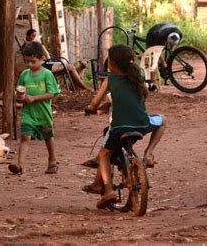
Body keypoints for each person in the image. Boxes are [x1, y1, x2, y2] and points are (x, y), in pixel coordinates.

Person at [83, 44, 165, 208]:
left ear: (112, 63)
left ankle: (106, 190)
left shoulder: (110, 79)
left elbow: (94, 103)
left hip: (119, 127)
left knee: (105, 154)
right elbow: (145, 94)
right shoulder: (137, 76)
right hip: (143, 124)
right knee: (163, 120)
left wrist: (91, 109)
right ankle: (148, 154)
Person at [9, 41, 61, 175]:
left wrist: (34, 98)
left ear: (41, 59)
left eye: (33, 61)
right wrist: (20, 98)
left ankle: (52, 161)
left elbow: (52, 93)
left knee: (48, 137)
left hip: (43, 113)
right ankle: (20, 165)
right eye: (28, 62)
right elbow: (18, 93)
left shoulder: (47, 74)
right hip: (28, 113)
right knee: (25, 137)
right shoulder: (24, 75)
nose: (30, 65)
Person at [23, 29, 89, 91]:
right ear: (28, 37)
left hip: (45, 64)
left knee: (70, 67)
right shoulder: (37, 46)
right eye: (33, 36)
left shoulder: (27, 46)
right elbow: (48, 57)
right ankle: (84, 88)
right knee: (71, 67)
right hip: (44, 65)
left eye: (36, 35)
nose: (36, 37)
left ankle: (77, 87)